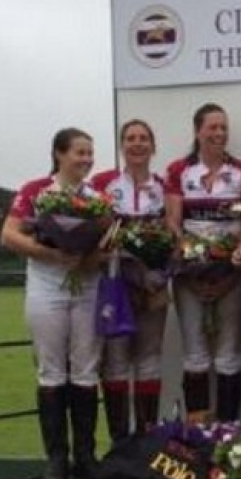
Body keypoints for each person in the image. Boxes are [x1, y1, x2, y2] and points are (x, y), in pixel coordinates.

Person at [0, 128, 107, 479]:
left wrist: (88, 258)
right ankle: (56, 459)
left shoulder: (97, 197)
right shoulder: (36, 191)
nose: (87, 159)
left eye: (90, 152)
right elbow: (9, 235)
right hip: (47, 288)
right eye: (80, 152)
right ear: (59, 154)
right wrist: (50, 253)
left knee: (86, 369)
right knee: (51, 371)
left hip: (86, 287)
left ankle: (86, 456)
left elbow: (106, 242)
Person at [165, 103, 241, 424]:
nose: (219, 133)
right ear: (197, 131)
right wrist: (190, 266)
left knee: (229, 354)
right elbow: (173, 223)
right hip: (190, 274)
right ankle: (198, 436)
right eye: (213, 127)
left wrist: (233, 267)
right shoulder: (178, 170)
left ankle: (228, 433)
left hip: (231, 272)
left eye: (224, 128)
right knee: (195, 354)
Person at [91, 119, 170, 445]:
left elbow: (172, 234)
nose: (137, 144)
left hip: (153, 283)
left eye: (143, 139)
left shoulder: (164, 185)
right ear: (122, 145)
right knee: (116, 362)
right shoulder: (104, 184)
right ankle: (120, 443)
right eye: (130, 138)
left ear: (153, 146)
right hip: (114, 283)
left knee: (149, 358)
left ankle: (147, 440)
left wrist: (159, 272)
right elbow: (95, 231)